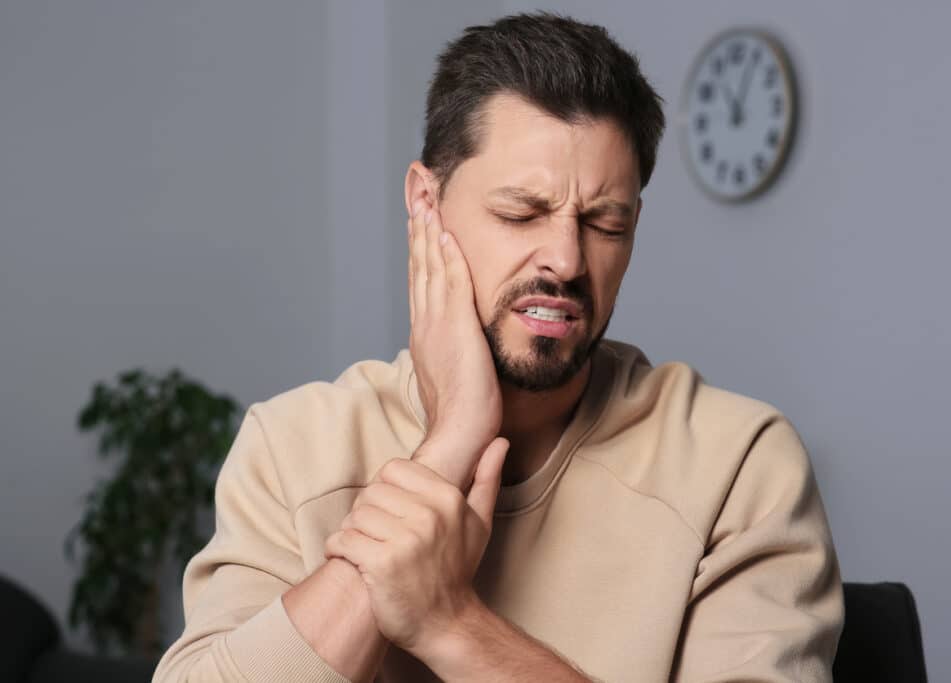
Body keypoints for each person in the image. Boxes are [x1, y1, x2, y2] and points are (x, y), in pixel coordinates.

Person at [154, 12, 843, 683]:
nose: (567, 259)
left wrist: (452, 623)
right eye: (522, 212)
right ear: (426, 201)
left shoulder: (740, 464)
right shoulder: (293, 448)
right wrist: (451, 442)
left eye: (606, 222)